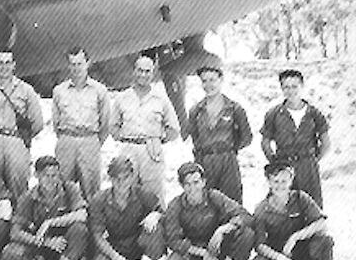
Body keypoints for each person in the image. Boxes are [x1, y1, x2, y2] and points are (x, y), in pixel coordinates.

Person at [163, 162, 255, 260]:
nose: (192, 188)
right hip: (193, 250)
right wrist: (203, 254)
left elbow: (245, 216)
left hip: (217, 245)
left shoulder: (214, 197)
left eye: (196, 182)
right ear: (182, 186)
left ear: (203, 182)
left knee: (247, 234)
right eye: (187, 184)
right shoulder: (175, 205)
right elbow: (172, 240)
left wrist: (223, 230)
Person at [2, 156, 89, 260]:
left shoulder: (69, 189)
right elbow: (15, 232)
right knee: (11, 253)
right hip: (40, 245)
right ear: (36, 175)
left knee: (80, 229)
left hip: (64, 244)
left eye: (54, 175)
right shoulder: (28, 197)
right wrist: (45, 242)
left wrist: (50, 222)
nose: (51, 179)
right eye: (45, 175)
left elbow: (82, 214)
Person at [247, 161, 334, 260]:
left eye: (284, 181)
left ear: (291, 181)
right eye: (275, 181)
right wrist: (281, 258)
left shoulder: (300, 198)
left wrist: (295, 237)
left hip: (302, 249)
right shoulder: (261, 209)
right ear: (269, 182)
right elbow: (260, 245)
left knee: (325, 241)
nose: (280, 185)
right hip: (279, 254)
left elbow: (321, 222)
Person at [89, 155, 167, 260]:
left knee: (155, 229)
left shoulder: (143, 194)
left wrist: (155, 215)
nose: (121, 182)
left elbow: (164, 212)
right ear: (110, 179)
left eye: (125, 177)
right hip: (116, 244)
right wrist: (116, 258)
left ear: (132, 176)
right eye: (116, 178)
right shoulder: (99, 199)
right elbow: (97, 235)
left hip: (138, 243)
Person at [0, 46, 44, 201]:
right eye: (0, 63)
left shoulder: (26, 90)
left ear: (14, 65)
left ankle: (19, 222)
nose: (4, 67)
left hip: (16, 140)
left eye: (8, 63)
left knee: (18, 185)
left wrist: (22, 138)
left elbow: (38, 122)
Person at [111, 56, 180, 203]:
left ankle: (157, 224)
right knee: (126, 192)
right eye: (140, 71)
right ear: (134, 72)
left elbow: (174, 129)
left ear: (153, 73)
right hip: (129, 149)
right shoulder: (122, 98)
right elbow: (113, 127)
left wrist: (157, 140)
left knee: (154, 194)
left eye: (147, 71)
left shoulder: (161, 99)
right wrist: (125, 139)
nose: (143, 75)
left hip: (151, 151)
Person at [261, 69, 330, 208]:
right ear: (281, 88)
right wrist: (275, 162)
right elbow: (265, 142)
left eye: (294, 86)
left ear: (302, 86)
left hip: (307, 165)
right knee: (282, 203)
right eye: (286, 87)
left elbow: (326, 142)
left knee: (312, 203)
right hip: (284, 164)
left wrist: (313, 159)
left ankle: (314, 229)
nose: (290, 91)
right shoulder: (273, 114)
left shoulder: (314, 113)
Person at [184, 66, 252, 203]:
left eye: (212, 80)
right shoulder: (196, 111)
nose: (208, 85)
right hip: (205, 161)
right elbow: (195, 137)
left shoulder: (234, 108)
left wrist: (229, 148)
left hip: (227, 160)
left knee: (231, 201)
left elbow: (246, 137)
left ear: (221, 80)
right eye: (204, 81)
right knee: (206, 202)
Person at [52, 46, 110, 200]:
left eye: (79, 63)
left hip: (89, 140)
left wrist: (94, 142)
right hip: (66, 140)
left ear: (88, 63)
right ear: (68, 66)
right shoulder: (59, 91)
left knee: (91, 189)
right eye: (72, 64)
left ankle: (91, 222)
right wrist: (67, 139)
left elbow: (105, 123)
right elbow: (56, 121)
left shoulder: (99, 90)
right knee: (62, 187)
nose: (76, 68)